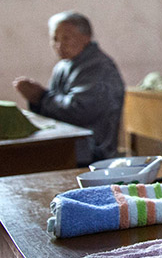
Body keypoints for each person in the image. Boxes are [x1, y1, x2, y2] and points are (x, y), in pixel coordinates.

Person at [12, 11, 125, 165]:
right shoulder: (63, 66)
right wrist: (39, 99)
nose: (59, 45)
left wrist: (41, 97)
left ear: (86, 37)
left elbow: (80, 111)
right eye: (54, 39)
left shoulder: (98, 66)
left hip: (93, 152)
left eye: (66, 38)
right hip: (67, 144)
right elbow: (53, 109)